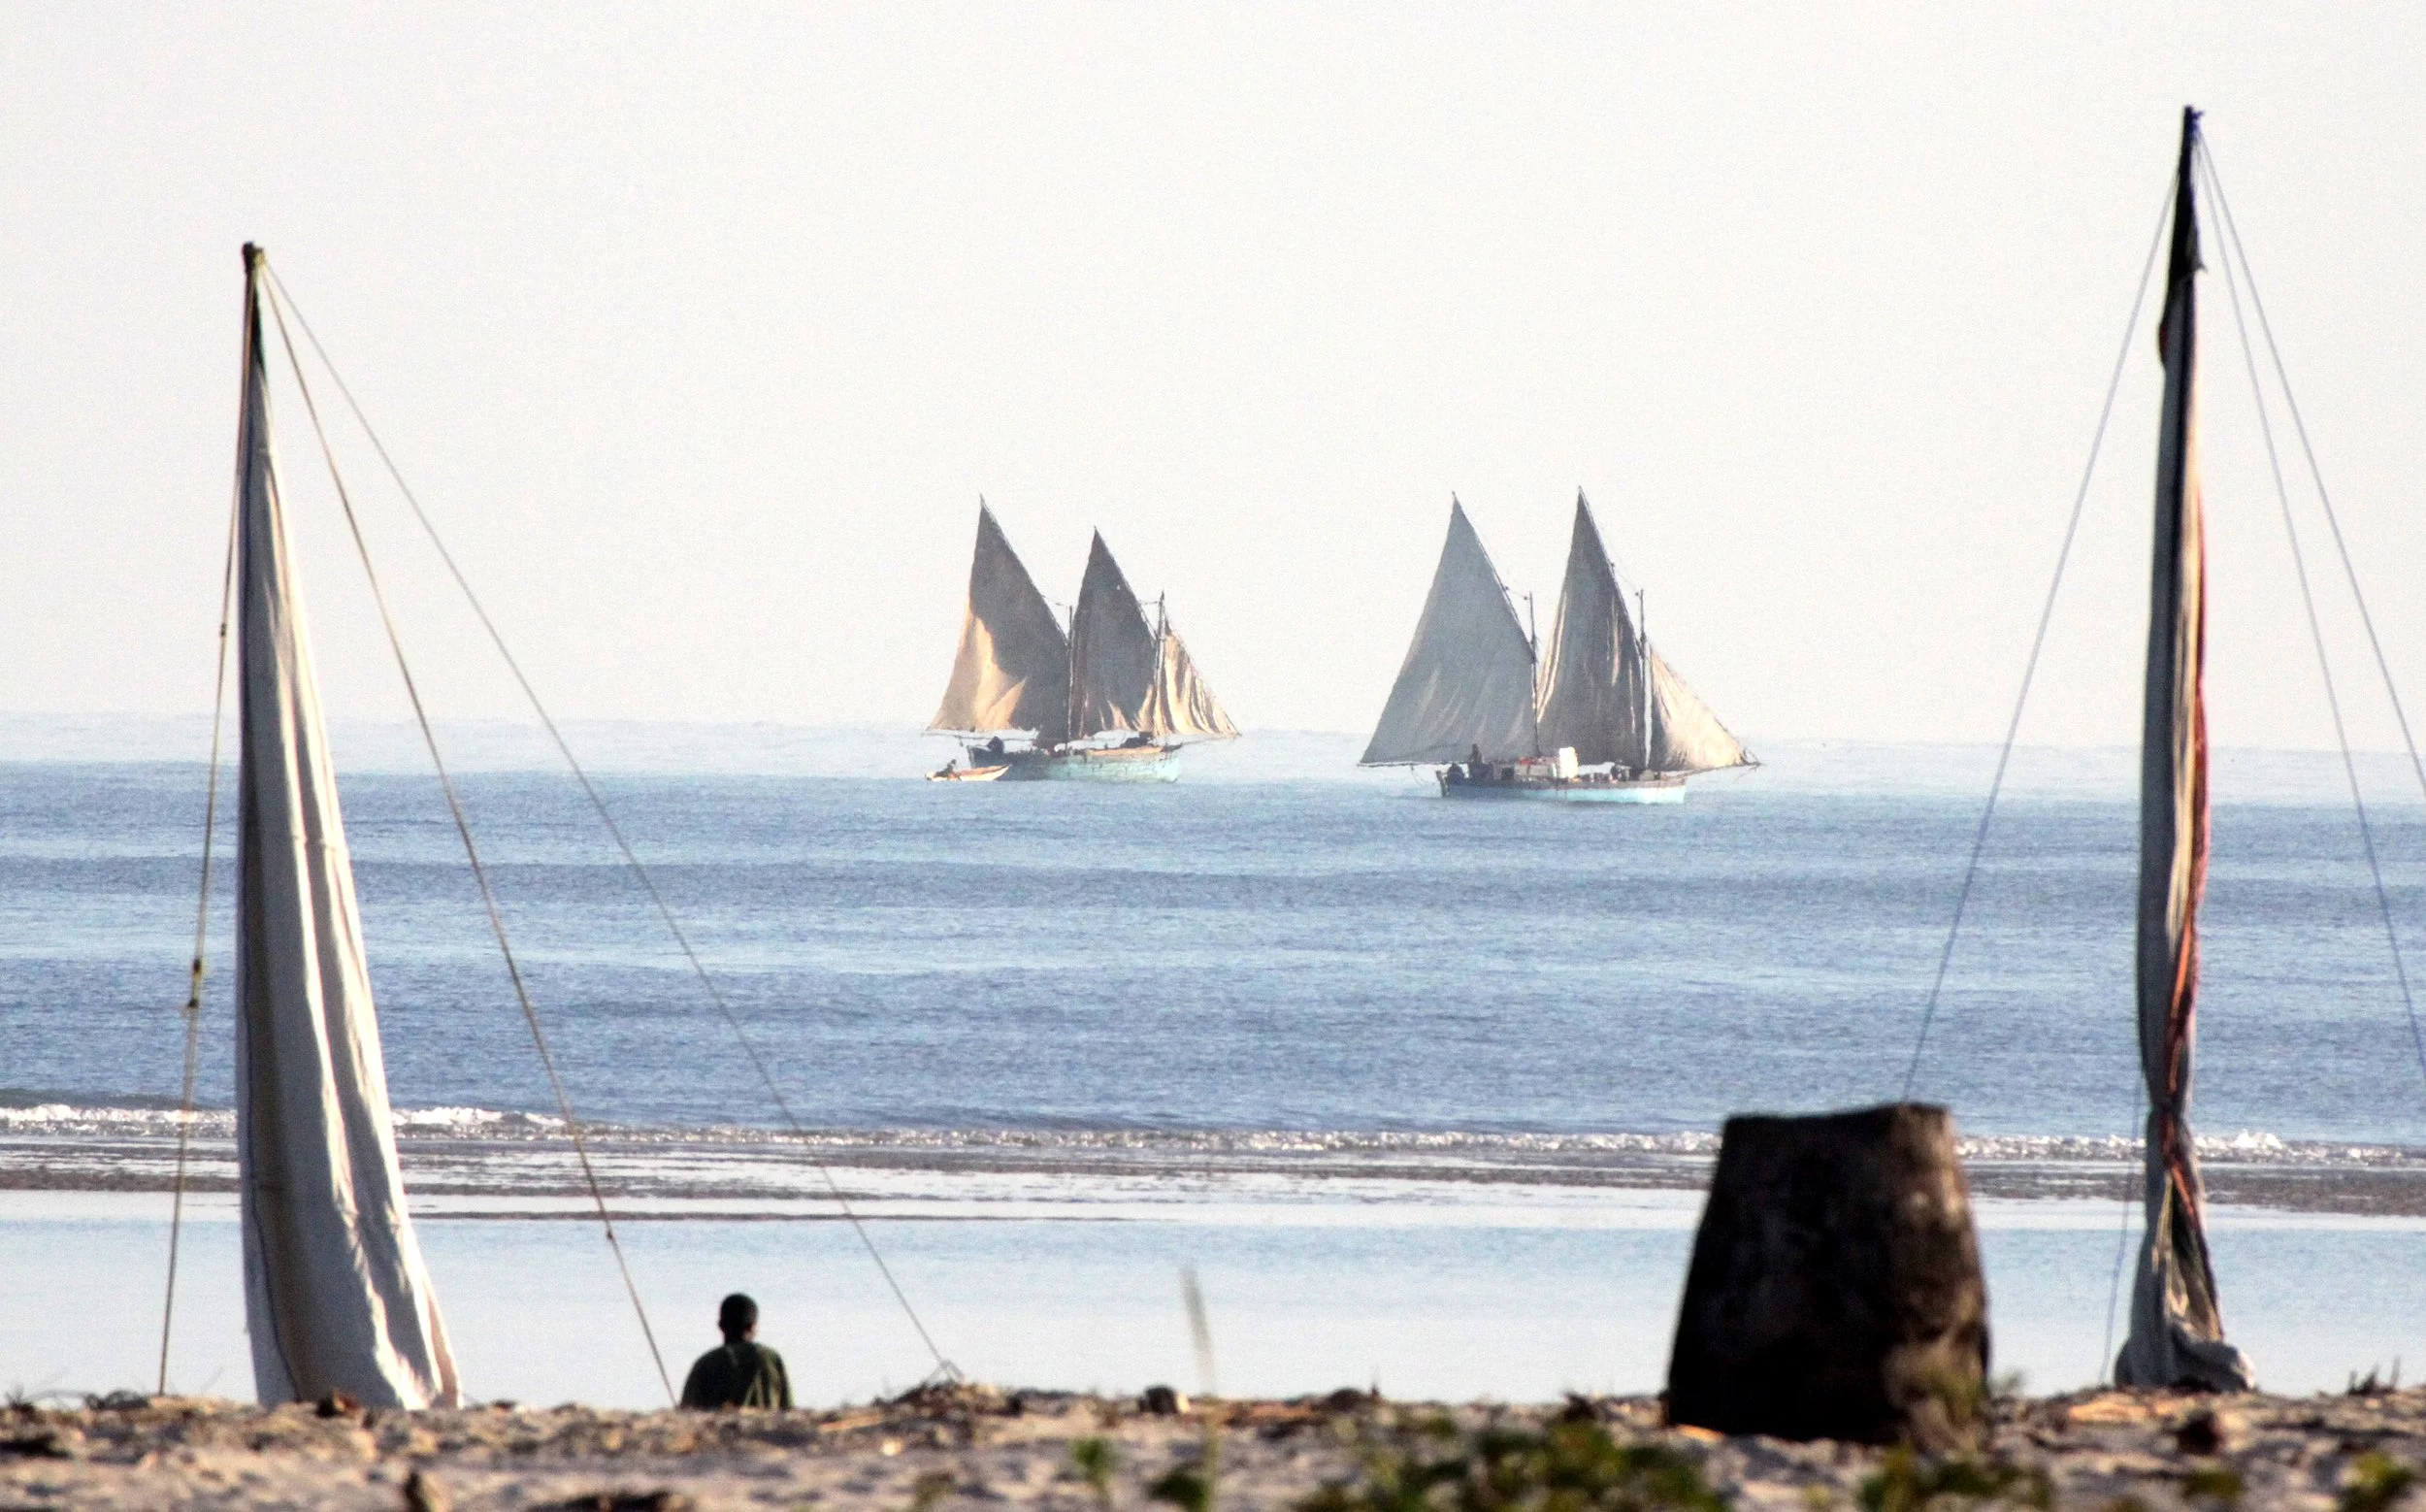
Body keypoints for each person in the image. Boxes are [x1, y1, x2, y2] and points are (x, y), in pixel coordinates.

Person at [679, 1293, 794, 1409]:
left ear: (721, 1326)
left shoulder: (705, 1363)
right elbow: (788, 1409)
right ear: (753, 1327)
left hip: (718, 1427)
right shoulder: (772, 1359)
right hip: (767, 1427)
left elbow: (687, 1411)